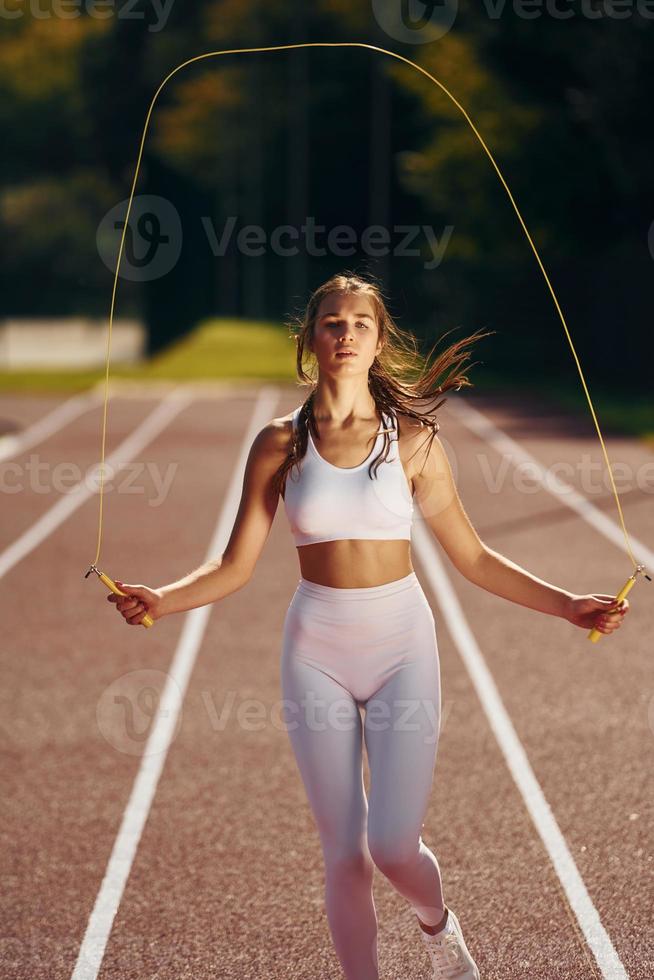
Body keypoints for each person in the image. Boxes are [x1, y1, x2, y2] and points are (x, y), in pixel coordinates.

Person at [109, 272, 629, 980]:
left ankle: (437, 927)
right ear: (310, 340)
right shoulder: (277, 444)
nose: (345, 333)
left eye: (360, 323)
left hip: (401, 648)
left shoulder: (413, 440)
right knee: (343, 852)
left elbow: (473, 557)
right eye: (331, 322)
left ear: (379, 341)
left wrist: (568, 604)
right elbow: (233, 566)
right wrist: (160, 599)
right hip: (314, 649)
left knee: (391, 846)